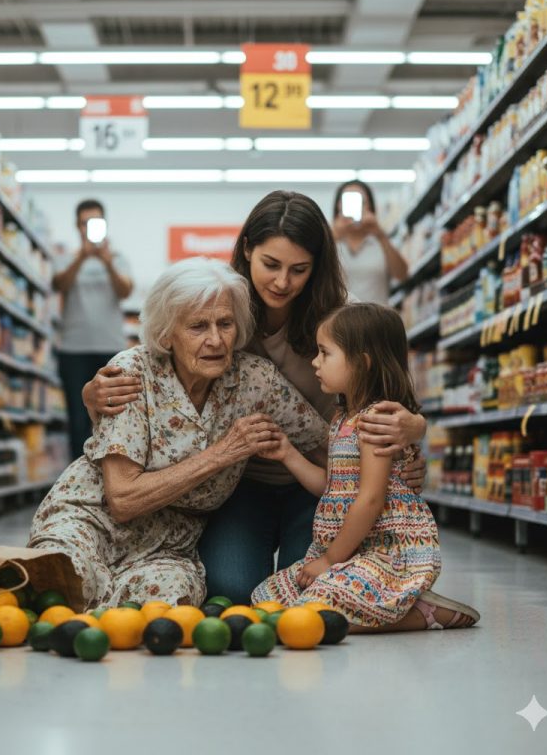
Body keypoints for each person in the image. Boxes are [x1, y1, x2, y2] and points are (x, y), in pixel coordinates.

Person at [83, 190, 427, 605]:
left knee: (312, 584)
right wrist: (92, 394)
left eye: (299, 269)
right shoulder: (219, 303)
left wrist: (413, 426)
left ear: (317, 266)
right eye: (271, 265)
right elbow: (156, 370)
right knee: (232, 588)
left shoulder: (343, 320)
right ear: (247, 250)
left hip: (323, 478)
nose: (283, 282)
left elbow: (388, 390)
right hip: (241, 481)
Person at [27, 258, 328, 608]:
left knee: (171, 599)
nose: (216, 339)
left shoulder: (256, 381)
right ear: (166, 333)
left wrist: (395, 461)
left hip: (170, 545)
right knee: (62, 584)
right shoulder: (130, 374)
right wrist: (223, 453)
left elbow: (326, 444)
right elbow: (122, 499)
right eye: (198, 326)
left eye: (225, 323)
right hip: (93, 517)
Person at [252, 303, 479, 630]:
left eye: (324, 353)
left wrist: (330, 561)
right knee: (267, 596)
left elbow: (370, 500)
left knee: (314, 613)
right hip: (347, 552)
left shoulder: (377, 422)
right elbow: (330, 488)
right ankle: (388, 605)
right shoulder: (341, 420)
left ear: (362, 362)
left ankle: (424, 614)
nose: (315, 362)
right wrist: (287, 453)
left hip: (384, 555)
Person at [53, 199, 133, 459]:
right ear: (77, 226)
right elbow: (59, 286)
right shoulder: (66, 259)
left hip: (111, 348)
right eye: (85, 223)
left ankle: (113, 474)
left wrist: (106, 261)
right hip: (73, 349)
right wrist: (82, 258)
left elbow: (125, 291)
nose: (89, 228)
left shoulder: (118, 259)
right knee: (77, 419)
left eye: (94, 222)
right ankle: (78, 481)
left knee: (115, 416)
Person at [332, 180, 409, 306]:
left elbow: (402, 274)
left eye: (361, 202)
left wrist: (380, 234)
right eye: (348, 201)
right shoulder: (331, 242)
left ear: (370, 207)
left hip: (378, 320)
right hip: (339, 321)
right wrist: (332, 237)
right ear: (339, 206)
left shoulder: (380, 241)